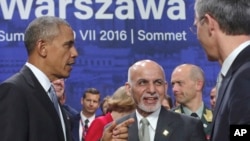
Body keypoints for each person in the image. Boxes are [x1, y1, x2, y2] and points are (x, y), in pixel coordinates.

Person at [0, 16, 78, 141]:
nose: (75, 53)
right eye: (68, 45)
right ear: (42, 48)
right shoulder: (14, 91)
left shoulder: (52, 96)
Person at [193, 0, 250, 140]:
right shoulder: (238, 72)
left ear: (209, 23)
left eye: (196, 27)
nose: (197, 36)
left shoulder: (245, 76)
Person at [111, 59, 206, 141]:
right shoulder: (115, 130)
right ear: (128, 89)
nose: (152, 90)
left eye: (158, 83)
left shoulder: (190, 126)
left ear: (165, 87)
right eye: (143, 83)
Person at [171, 64, 213, 140]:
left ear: (198, 84)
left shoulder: (217, 120)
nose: (174, 89)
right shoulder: (167, 120)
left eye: (180, 83)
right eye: (173, 84)